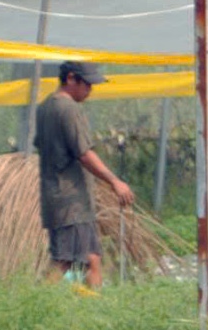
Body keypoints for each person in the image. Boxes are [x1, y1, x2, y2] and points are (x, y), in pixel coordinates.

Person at [34, 61, 135, 291]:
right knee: (64, 261)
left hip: (61, 197)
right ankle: (37, 304)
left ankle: (94, 311)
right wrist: (114, 181)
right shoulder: (68, 109)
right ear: (71, 79)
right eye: (87, 84)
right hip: (70, 200)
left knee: (92, 259)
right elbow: (84, 154)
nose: (90, 90)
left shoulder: (45, 107)